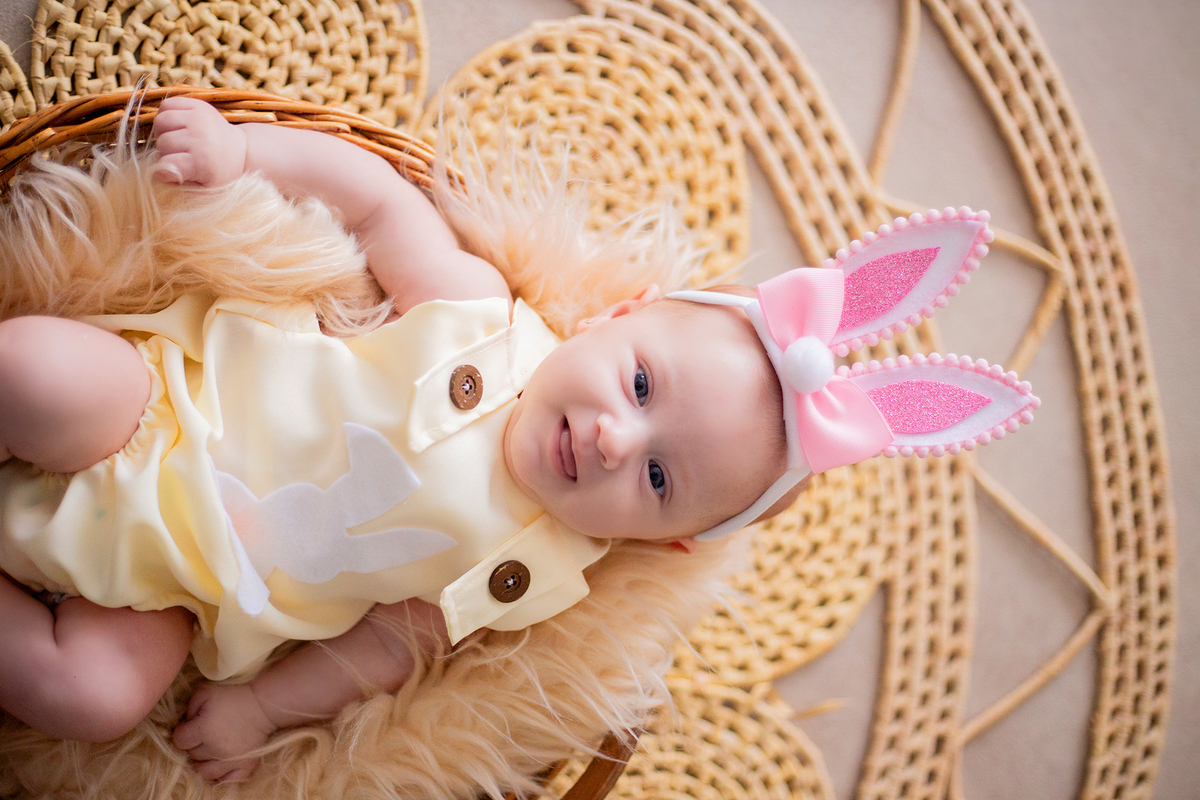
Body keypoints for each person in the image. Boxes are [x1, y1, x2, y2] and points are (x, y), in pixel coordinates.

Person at [0, 97, 1032, 782]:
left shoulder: (536, 571)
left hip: (176, 594)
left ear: (666, 540)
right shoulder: (480, 314)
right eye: (638, 381)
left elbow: (385, 645)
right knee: (37, 371)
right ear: (611, 314)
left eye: (662, 476)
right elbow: (373, 200)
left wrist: (264, 706)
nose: (618, 439)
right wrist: (245, 156)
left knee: (92, 695)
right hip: (160, 414)